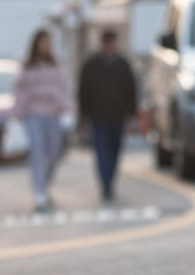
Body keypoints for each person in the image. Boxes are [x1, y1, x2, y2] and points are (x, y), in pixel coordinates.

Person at [13, 29, 74, 211]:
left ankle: (45, 185)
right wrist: (18, 112)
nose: (44, 46)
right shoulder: (27, 66)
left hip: (54, 114)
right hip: (33, 114)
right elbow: (20, 90)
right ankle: (39, 191)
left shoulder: (56, 65)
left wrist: (68, 111)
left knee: (55, 153)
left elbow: (65, 89)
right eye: (42, 42)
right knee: (37, 152)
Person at [78, 30, 137, 202]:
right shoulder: (91, 65)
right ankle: (106, 185)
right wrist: (83, 114)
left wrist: (131, 115)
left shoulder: (122, 65)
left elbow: (131, 91)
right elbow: (83, 91)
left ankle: (110, 181)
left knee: (115, 151)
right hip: (98, 116)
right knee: (102, 151)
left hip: (118, 116)